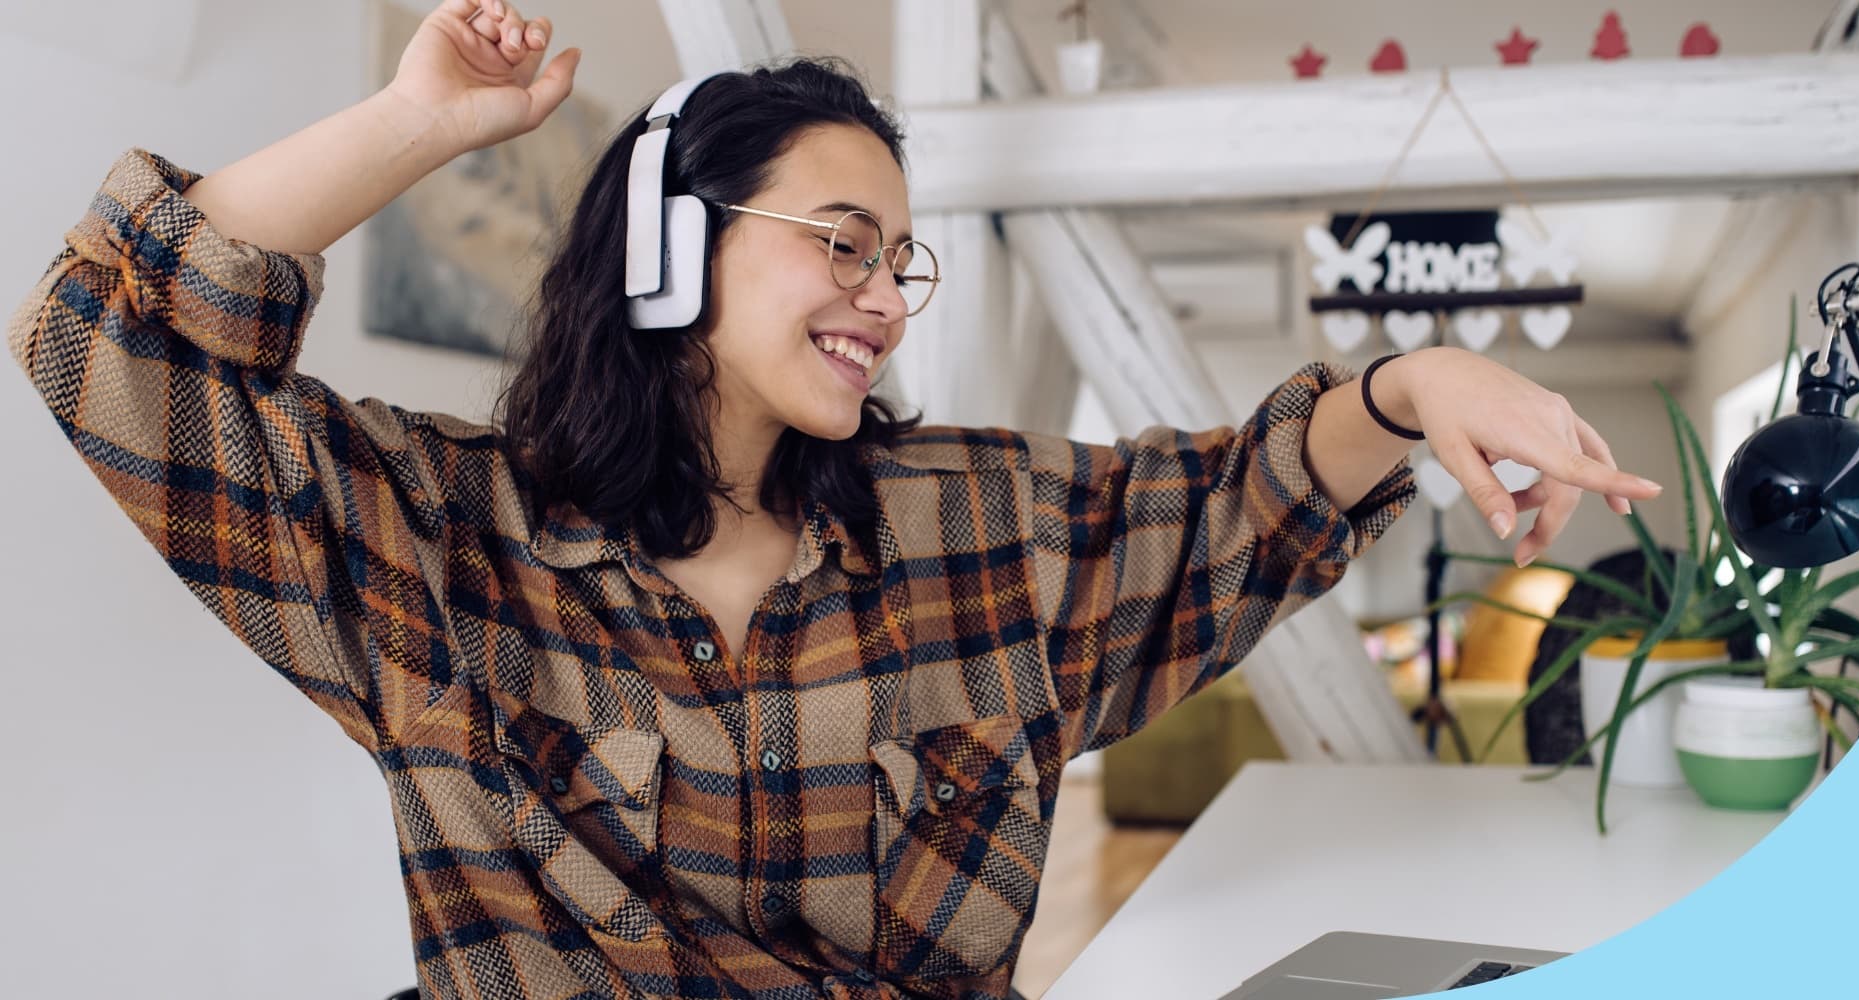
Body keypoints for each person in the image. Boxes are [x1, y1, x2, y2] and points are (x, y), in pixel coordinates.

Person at [6, 1, 1662, 997]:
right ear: (671, 253)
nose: (885, 292)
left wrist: (1413, 385)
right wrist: (420, 118)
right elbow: (105, 344)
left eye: (899, 254)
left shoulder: (979, 529)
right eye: (840, 241)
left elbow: (1243, 503)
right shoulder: (436, 545)